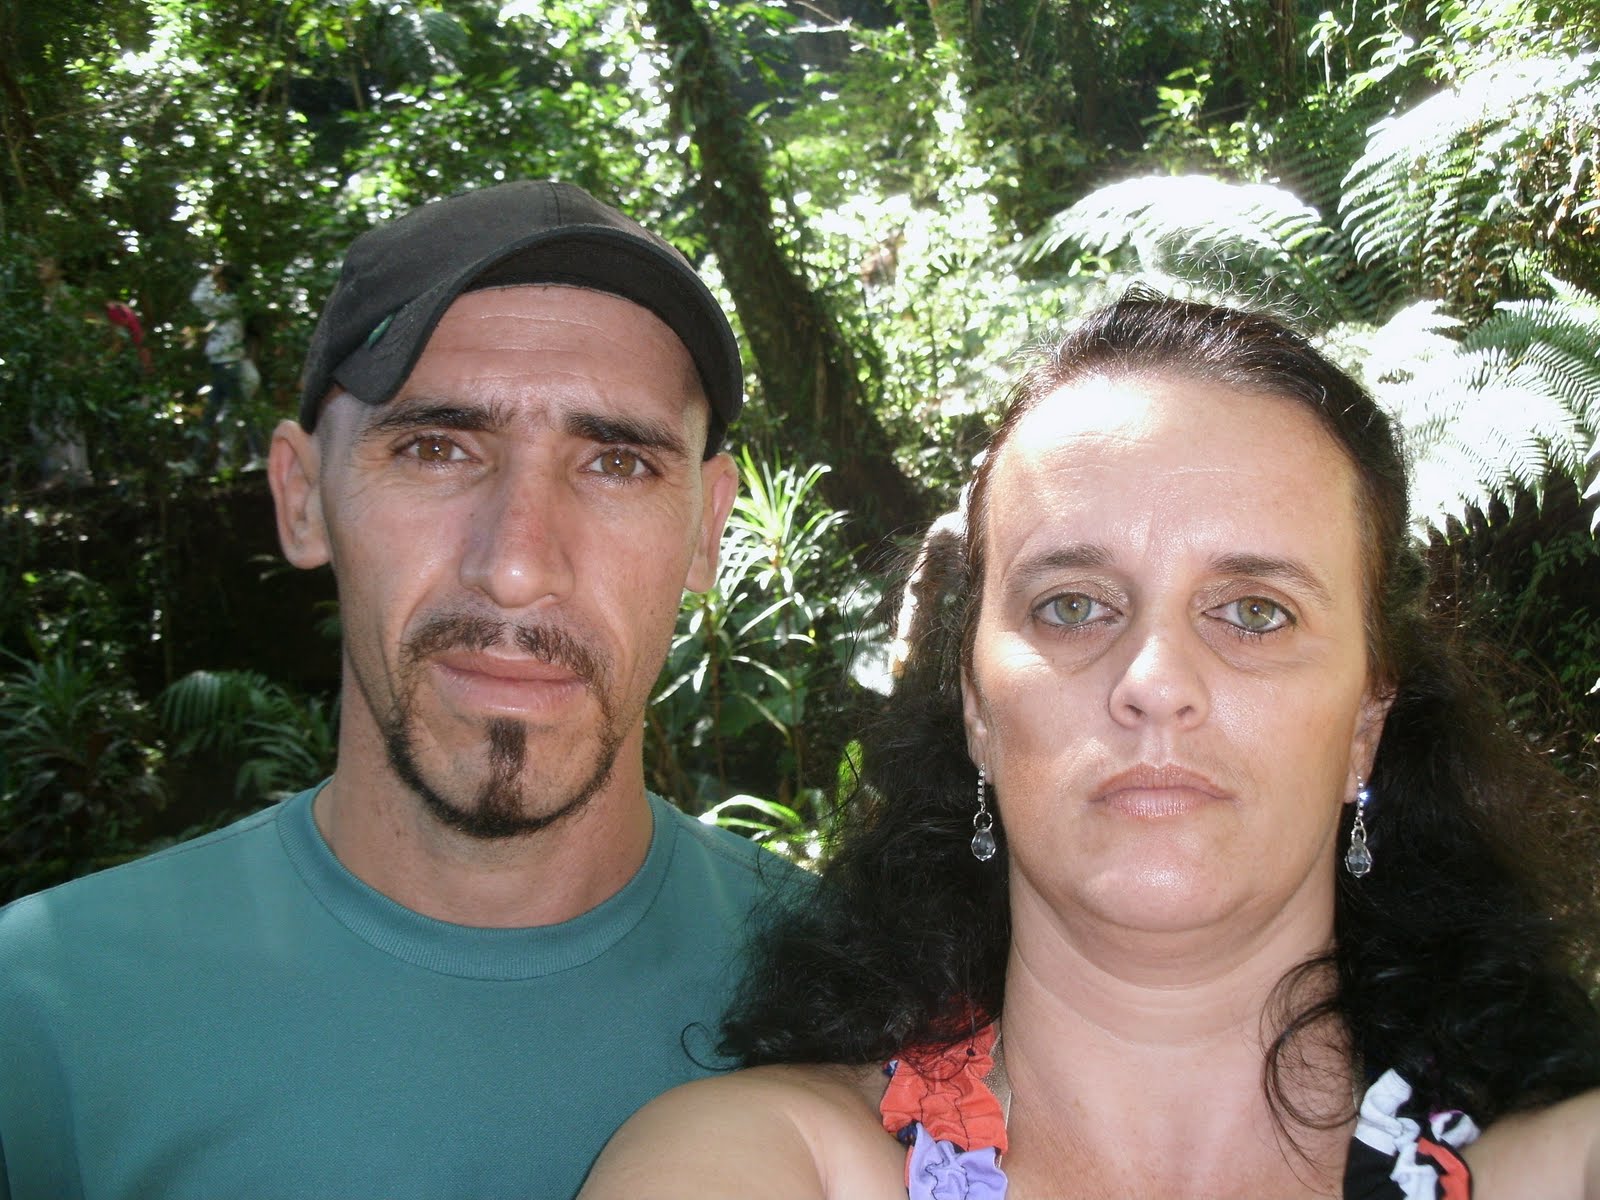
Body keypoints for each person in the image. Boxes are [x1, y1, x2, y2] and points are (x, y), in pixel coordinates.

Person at [581, 292, 1600, 1199]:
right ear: (976, 708)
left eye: (1254, 612)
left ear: (1366, 723)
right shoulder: (766, 1165)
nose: (1153, 681)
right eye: (1072, 605)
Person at [0, 180, 804, 1199]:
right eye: (435, 448)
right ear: (302, 497)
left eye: (616, 462)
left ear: (705, 529)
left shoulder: (868, 998)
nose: (516, 566)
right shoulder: (46, 1013)